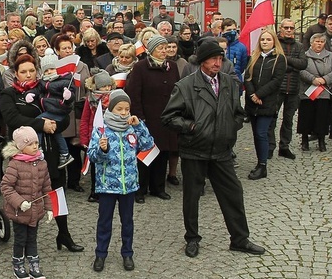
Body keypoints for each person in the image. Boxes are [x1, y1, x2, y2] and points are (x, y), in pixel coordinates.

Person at [162, 41, 266, 258]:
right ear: (202, 61)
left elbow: (238, 112)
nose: (218, 63)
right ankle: (192, 238)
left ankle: (239, 239)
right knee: (192, 197)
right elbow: (169, 117)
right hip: (195, 150)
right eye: (213, 59)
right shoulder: (185, 86)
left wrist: (230, 127)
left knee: (233, 194)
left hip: (221, 150)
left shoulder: (229, 82)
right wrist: (192, 127)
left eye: (220, 58)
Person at [0, 54, 83, 253]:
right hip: (24, 155)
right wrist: (41, 124)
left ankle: (64, 234)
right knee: (27, 195)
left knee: (57, 190)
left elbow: (63, 118)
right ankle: (26, 241)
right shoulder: (9, 94)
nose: (28, 75)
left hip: (50, 150)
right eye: (23, 72)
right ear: (15, 74)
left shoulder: (44, 88)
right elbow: (12, 118)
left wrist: (54, 123)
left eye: (31, 70)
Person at [88, 89, 154, 272]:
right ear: (111, 108)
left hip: (129, 185)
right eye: (120, 109)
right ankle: (100, 254)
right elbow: (92, 156)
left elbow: (148, 145)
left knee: (127, 221)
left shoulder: (132, 128)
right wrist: (103, 150)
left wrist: (140, 125)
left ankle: (127, 253)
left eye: (127, 109)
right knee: (104, 222)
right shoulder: (101, 130)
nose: (124, 113)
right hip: (107, 186)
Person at [126, 35, 178, 202]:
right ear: (151, 50)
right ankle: (140, 190)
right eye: (160, 48)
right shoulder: (141, 67)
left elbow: (178, 90)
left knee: (163, 154)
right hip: (147, 119)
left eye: (166, 48)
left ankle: (158, 188)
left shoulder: (173, 66)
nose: (164, 51)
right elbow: (134, 93)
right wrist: (140, 117)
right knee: (145, 155)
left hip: (166, 119)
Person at [0, 126, 53, 279]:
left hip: (35, 211)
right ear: (22, 147)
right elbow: (6, 187)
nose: (35, 146)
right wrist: (20, 202)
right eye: (30, 144)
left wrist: (49, 208)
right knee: (21, 238)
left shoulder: (42, 163)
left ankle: (34, 264)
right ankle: (18, 264)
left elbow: (46, 188)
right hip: (19, 212)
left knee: (32, 238)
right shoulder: (15, 164)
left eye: (36, 142)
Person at [243, 29, 287, 180]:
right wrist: (252, 95)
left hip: (267, 102)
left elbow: (276, 81)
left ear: (274, 41)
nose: (265, 42)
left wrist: (259, 94)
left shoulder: (279, 59)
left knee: (262, 133)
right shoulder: (254, 57)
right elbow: (247, 77)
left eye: (268, 40)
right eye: (263, 40)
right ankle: (259, 161)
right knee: (256, 134)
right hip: (253, 102)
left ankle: (263, 165)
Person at [269, 19, 306, 160]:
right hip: (277, 88)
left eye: (292, 28)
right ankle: (270, 147)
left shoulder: (299, 46)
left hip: (294, 89)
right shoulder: (275, 44)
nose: (289, 30)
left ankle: (284, 147)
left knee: (288, 120)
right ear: (281, 29)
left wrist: (286, 60)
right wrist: (291, 66)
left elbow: (303, 64)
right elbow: (275, 64)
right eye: (286, 28)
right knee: (272, 119)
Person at [297, 33, 332, 152]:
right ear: (311, 43)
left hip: (323, 90)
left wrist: (324, 79)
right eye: (317, 41)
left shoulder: (330, 56)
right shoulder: (305, 55)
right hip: (308, 90)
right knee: (306, 116)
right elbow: (301, 70)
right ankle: (305, 140)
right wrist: (312, 79)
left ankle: (321, 140)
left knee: (322, 117)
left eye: (321, 42)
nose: (319, 44)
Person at [35, 53, 76, 168]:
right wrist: (31, 94)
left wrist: (68, 96)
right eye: (46, 70)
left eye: (52, 69)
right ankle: (65, 153)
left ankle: (38, 147)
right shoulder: (42, 82)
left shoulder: (65, 80)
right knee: (56, 131)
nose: (49, 72)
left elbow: (72, 92)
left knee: (39, 122)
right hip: (50, 109)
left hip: (59, 109)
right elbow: (38, 91)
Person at [80, 71, 114, 202]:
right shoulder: (90, 100)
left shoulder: (114, 98)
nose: (106, 89)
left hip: (110, 135)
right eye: (104, 86)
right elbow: (84, 119)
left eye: (108, 86)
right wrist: (84, 139)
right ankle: (95, 190)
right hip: (94, 136)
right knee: (95, 166)